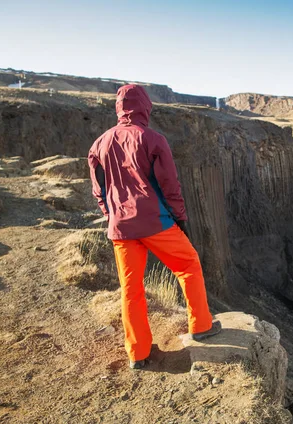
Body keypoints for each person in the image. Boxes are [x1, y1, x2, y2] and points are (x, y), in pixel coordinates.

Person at [88, 84, 221, 369]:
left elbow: (98, 190)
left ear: (119, 108)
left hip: (121, 228)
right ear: (145, 107)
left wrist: (112, 215)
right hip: (155, 222)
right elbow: (169, 184)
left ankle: (138, 353)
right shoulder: (153, 139)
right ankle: (201, 326)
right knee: (188, 265)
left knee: (130, 289)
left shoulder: (99, 143)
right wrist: (180, 218)